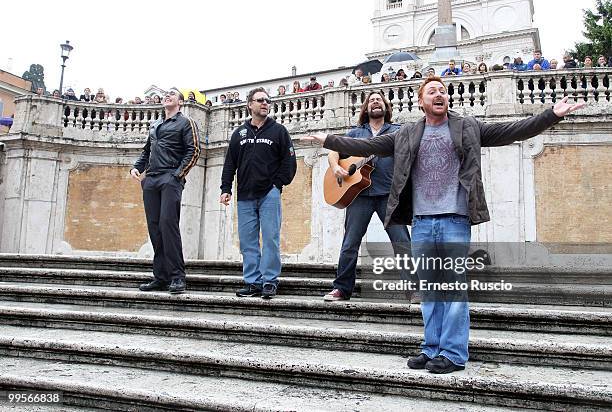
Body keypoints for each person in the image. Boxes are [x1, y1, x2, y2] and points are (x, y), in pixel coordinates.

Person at [302, 76, 584, 374]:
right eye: (432, 91)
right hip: (422, 221)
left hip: (454, 218)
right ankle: (432, 347)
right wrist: (329, 141)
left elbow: (509, 131)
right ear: (421, 102)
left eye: (443, 91)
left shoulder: (467, 127)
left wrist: (550, 115)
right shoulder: (407, 134)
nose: (440, 94)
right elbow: (366, 144)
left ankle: (453, 353)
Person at [323, 91, 410, 302]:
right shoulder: (355, 133)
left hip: (389, 194)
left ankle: (415, 289)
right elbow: (333, 151)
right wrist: (335, 167)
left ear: (386, 106)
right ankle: (342, 289)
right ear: (365, 108)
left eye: (379, 99)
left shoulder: (398, 131)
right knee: (350, 243)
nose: (375, 102)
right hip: (359, 194)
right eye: (371, 100)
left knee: (402, 242)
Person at [220, 87, 297, 299]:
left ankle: (270, 281)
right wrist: (226, 188)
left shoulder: (279, 131)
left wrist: (277, 185)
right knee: (247, 241)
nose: (265, 103)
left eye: (267, 100)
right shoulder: (239, 134)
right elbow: (230, 164)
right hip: (244, 195)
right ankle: (253, 282)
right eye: (260, 100)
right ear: (250, 105)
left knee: (270, 238)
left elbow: (289, 161)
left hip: (268, 194)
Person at [131, 87, 201, 294]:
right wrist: (137, 167)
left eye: (172, 94)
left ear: (180, 102)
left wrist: (177, 175)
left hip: (170, 178)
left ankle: (177, 276)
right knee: (155, 228)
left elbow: (194, 150)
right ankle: (160, 277)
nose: (167, 96)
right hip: (151, 180)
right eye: (165, 94)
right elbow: (147, 150)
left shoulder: (186, 122)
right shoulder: (155, 125)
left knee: (168, 224)